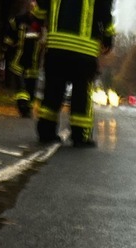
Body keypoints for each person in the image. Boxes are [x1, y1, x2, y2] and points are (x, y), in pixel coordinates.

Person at [33, 0, 114, 147]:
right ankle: (80, 135)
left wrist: (38, 25)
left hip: (56, 47)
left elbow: (40, 10)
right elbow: (105, 11)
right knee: (81, 95)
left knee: (52, 91)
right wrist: (108, 37)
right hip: (84, 51)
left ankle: (46, 131)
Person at [3, 0, 46, 119]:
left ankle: (29, 107)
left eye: (34, 6)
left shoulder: (41, 23)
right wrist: (9, 47)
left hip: (34, 62)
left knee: (31, 86)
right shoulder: (18, 20)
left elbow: (44, 40)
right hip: (19, 60)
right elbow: (9, 37)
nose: (32, 8)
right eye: (30, 6)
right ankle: (22, 106)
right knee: (21, 87)